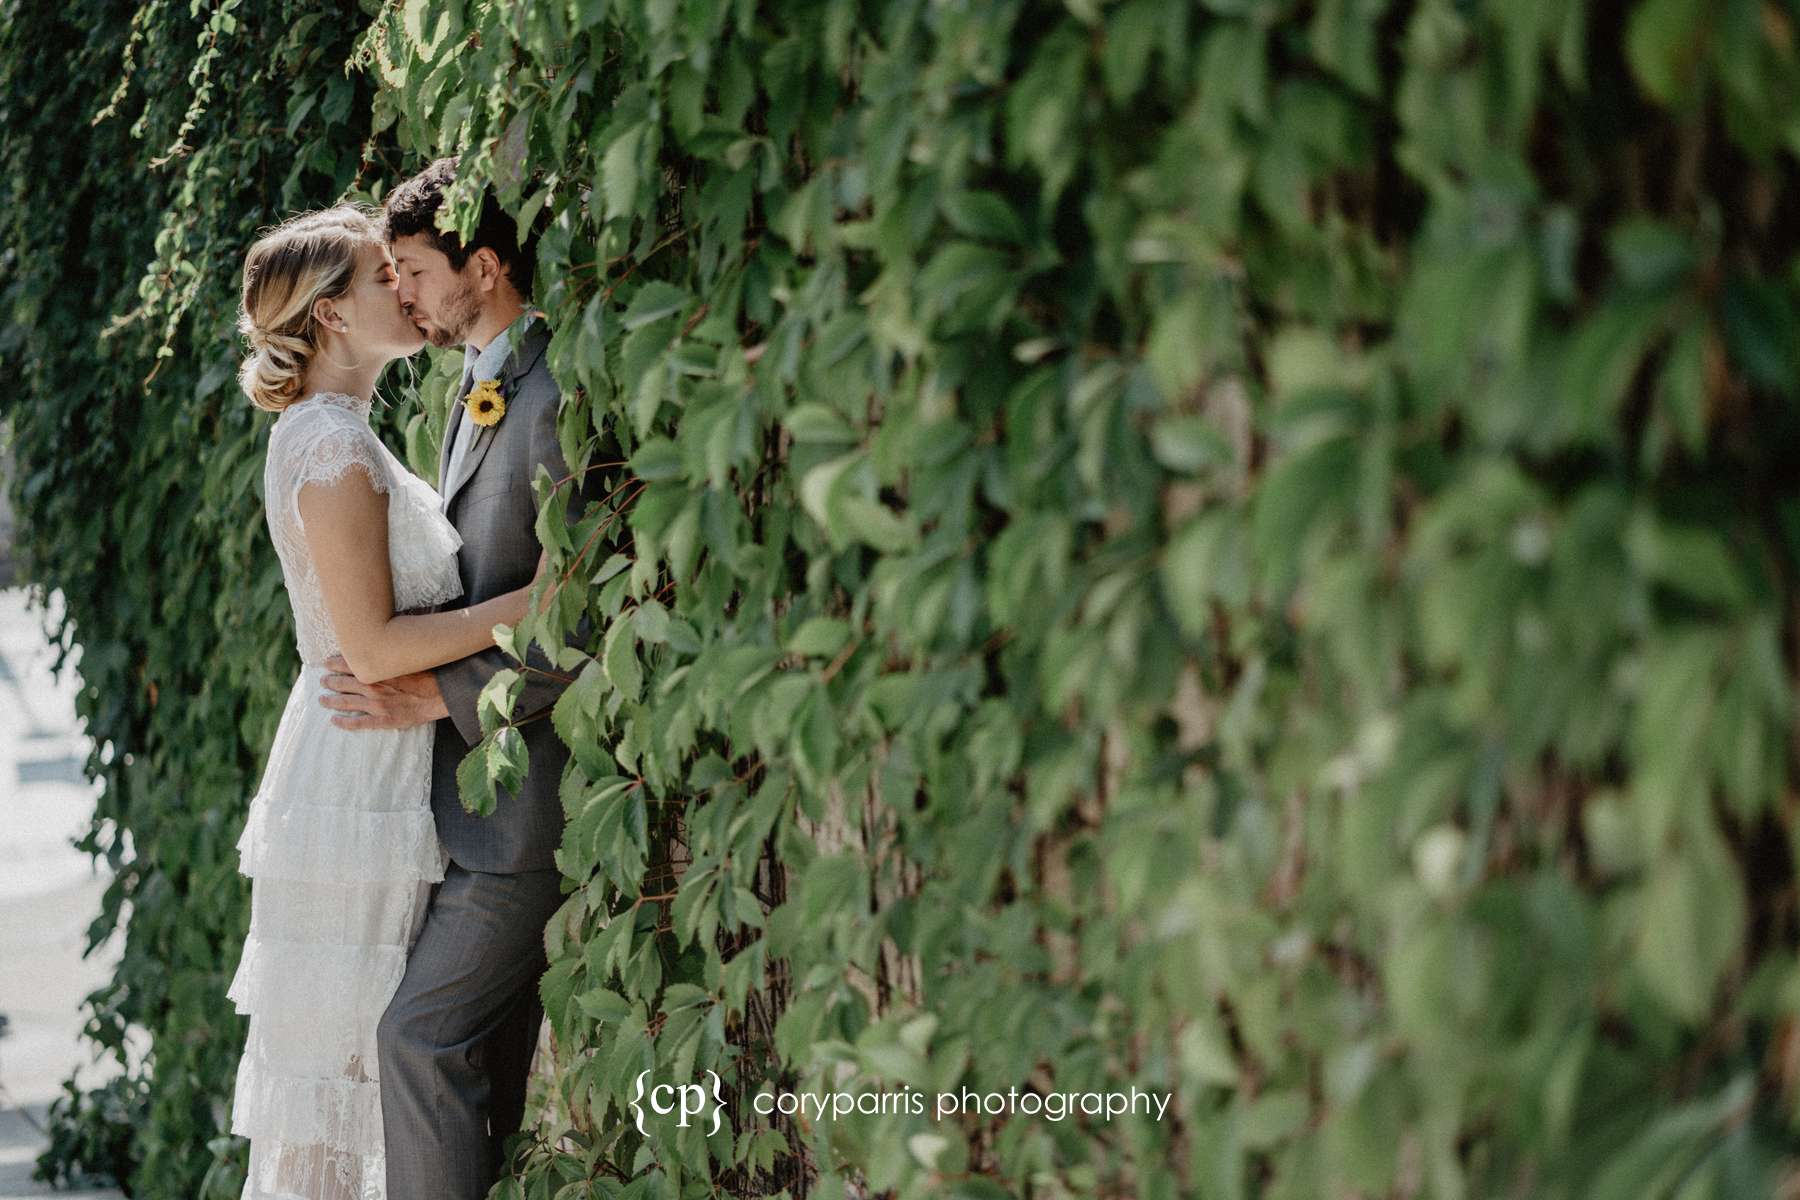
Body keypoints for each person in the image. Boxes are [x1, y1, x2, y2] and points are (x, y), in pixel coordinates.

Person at [227, 204, 549, 1199]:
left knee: (377, 1060)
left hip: (391, 760)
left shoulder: (352, 431)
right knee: (358, 1058)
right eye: (383, 278)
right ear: (331, 315)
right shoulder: (327, 441)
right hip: (359, 771)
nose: (403, 291)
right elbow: (369, 648)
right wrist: (532, 606)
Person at [314, 156, 596, 1200]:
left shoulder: (555, 394)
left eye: (418, 270)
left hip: (527, 811)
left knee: (417, 1041)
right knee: (478, 1078)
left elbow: (585, 608)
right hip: (464, 809)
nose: (405, 293)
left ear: (483, 266)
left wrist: (441, 692)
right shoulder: (473, 391)